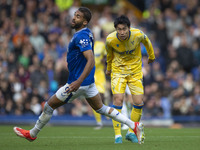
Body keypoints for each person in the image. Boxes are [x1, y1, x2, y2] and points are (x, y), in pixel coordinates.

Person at [13, 7, 145, 144]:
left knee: (49, 106)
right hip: (88, 83)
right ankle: (133, 125)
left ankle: (32, 134)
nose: (74, 18)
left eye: (78, 16)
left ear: (84, 22)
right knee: (102, 108)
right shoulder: (87, 33)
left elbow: (91, 59)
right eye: (75, 15)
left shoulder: (81, 36)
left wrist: (78, 81)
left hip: (78, 83)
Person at [106, 15, 155, 143]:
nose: (121, 32)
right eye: (119, 29)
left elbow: (147, 42)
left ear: (129, 28)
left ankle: (130, 132)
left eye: (124, 29)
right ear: (116, 29)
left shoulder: (138, 34)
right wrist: (108, 68)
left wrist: (151, 56)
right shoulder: (110, 39)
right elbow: (109, 55)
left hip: (135, 73)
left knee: (138, 102)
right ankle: (117, 135)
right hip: (118, 72)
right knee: (118, 100)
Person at [92, 40, 106, 130]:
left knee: (101, 97)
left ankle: (107, 114)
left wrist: (103, 60)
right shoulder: (84, 46)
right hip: (90, 73)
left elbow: (107, 56)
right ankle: (99, 122)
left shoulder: (101, 45)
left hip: (100, 74)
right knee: (93, 97)